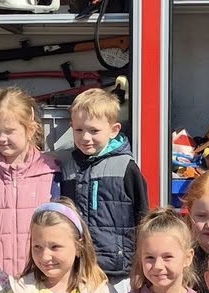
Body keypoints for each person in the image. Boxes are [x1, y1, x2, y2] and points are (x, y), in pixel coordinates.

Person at [56, 86, 147, 282]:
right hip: (78, 267)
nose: (85, 137)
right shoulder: (68, 168)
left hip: (118, 271)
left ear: (114, 130)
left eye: (94, 130)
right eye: (78, 130)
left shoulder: (125, 167)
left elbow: (143, 215)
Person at [0, 87, 60, 278]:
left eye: (9, 131)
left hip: (40, 278)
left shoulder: (52, 172)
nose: (1, 138)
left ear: (29, 129)